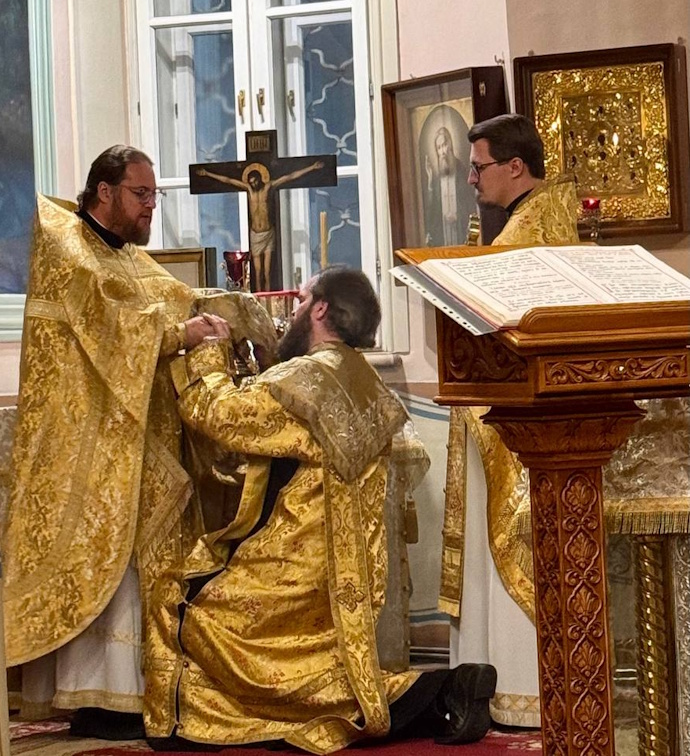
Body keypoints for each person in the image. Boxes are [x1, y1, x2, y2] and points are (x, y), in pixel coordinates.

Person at [144, 266, 497, 753]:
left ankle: (185, 726)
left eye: (301, 300)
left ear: (321, 308)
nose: (292, 311)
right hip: (348, 577)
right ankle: (441, 694)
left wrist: (210, 349)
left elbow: (218, 415)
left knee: (178, 602)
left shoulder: (305, 377)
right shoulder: (359, 377)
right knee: (325, 670)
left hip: (293, 566)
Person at [3, 145, 276, 738]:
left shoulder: (126, 255)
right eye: (141, 193)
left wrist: (238, 309)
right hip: (86, 444)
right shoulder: (68, 247)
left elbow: (175, 298)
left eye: (155, 194)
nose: (151, 205)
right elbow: (114, 325)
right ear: (104, 192)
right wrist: (182, 333)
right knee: (106, 562)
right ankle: (99, 696)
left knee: (141, 563)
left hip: (139, 438)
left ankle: (144, 688)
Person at [438, 114, 580, 727]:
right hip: (520, 410)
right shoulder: (550, 219)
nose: (471, 179)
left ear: (515, 167)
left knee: (511, 541)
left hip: (514, 419)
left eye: (479, 167)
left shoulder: (523, 236)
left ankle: (522, 685)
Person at [197, 160, 324, 291]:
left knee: (267, 272)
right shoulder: (249, 189)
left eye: (255, 181)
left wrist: (312, 167)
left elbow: (289, 177)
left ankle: (268, 297)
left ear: (260, 179)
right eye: (251, 182)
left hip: (268, 233)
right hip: (255, 235)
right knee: (257, 272)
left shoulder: (268, 187)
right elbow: (228, 180)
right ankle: (258, 297)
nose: (253, 184)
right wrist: (207, 173)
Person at [424, 126, 476, 246]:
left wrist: (457, 216)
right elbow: (432, 215)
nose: (443, 152)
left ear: (450, 145)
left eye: (444, 145)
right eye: (439, 148)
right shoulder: (436, 179)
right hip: (444, 237)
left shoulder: (462, 171)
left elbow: (470, 205)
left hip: (461, 233)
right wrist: (430, 181)